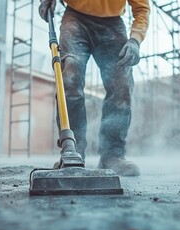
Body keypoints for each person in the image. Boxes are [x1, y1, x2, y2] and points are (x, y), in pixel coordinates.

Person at [39, 0, 150, 176]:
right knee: (70, 78)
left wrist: (135, 40)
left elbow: (142, 8)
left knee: (121, 85)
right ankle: (73, 153)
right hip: (75, 18)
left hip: (113, 25)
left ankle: (112, 155)